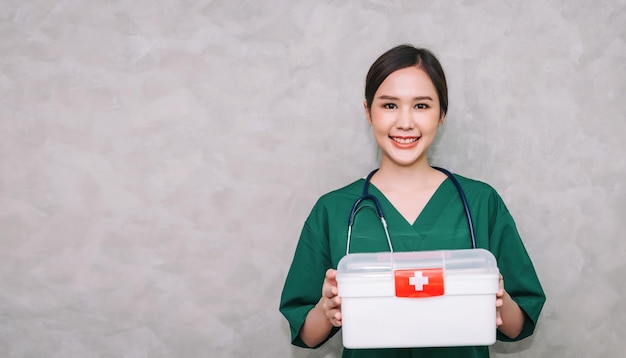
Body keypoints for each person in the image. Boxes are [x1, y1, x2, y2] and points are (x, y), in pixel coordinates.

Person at [279, 44, 545, 358]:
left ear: (441, 114)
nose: (405, 122)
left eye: (421, 106)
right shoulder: (333, 210)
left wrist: (498, 298)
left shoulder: (481, 202)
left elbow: (516, 327)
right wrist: (327, 310)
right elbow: (307, 337)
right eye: (389, 106)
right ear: (368, 112)